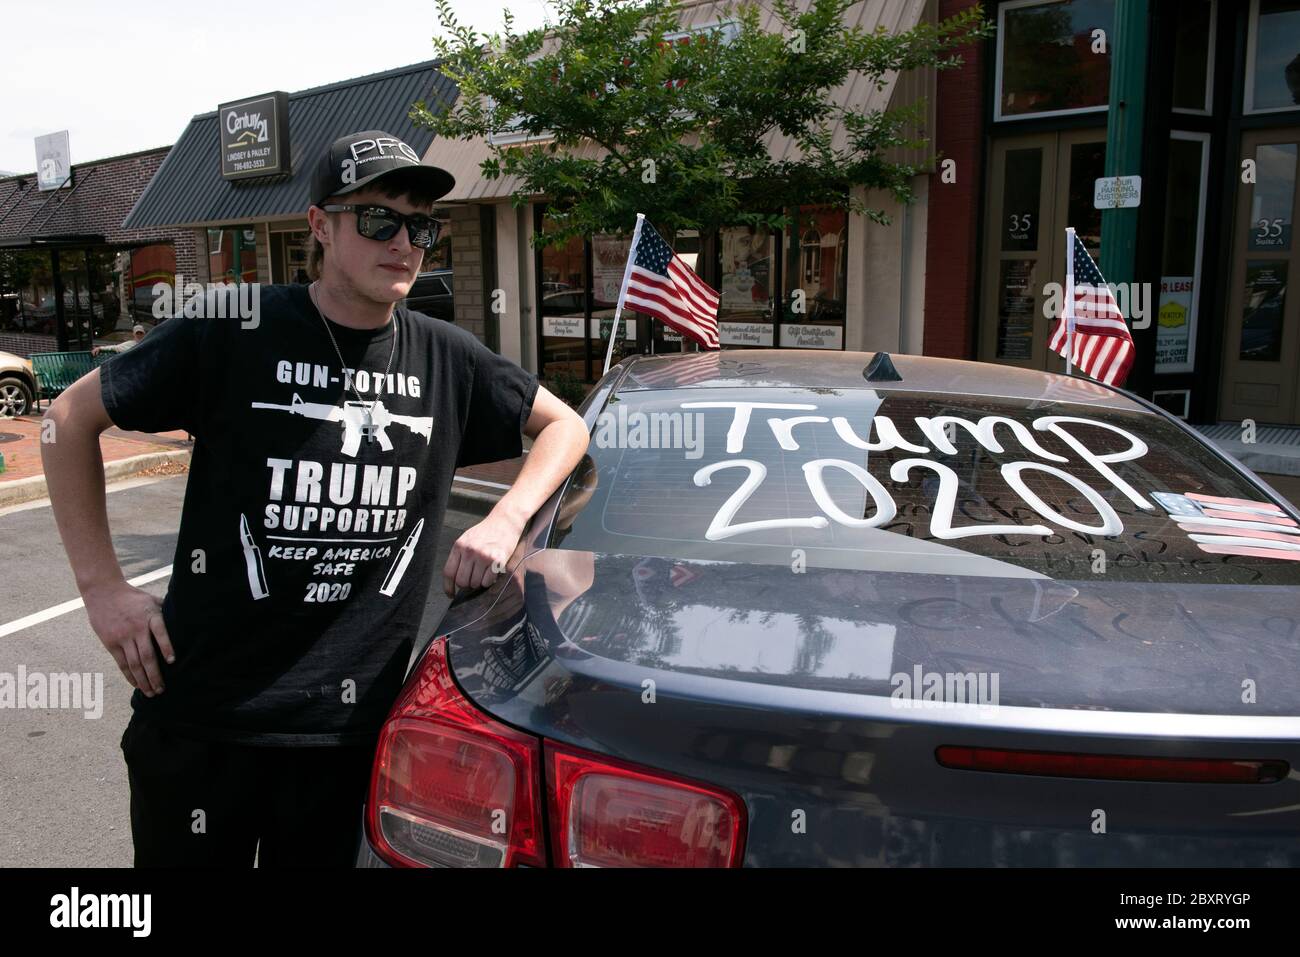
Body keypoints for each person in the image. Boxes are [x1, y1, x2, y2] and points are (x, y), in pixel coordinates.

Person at [41, 129, 590, 867]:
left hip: (345, 738)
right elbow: (65, 420)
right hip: (204, 724)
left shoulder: (446, 356)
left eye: (420, 226)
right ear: (320, 226)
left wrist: (506, 517)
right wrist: (103, 588)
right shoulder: (235, 329)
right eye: (378, 219)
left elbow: (566, 426)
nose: (403, 242)